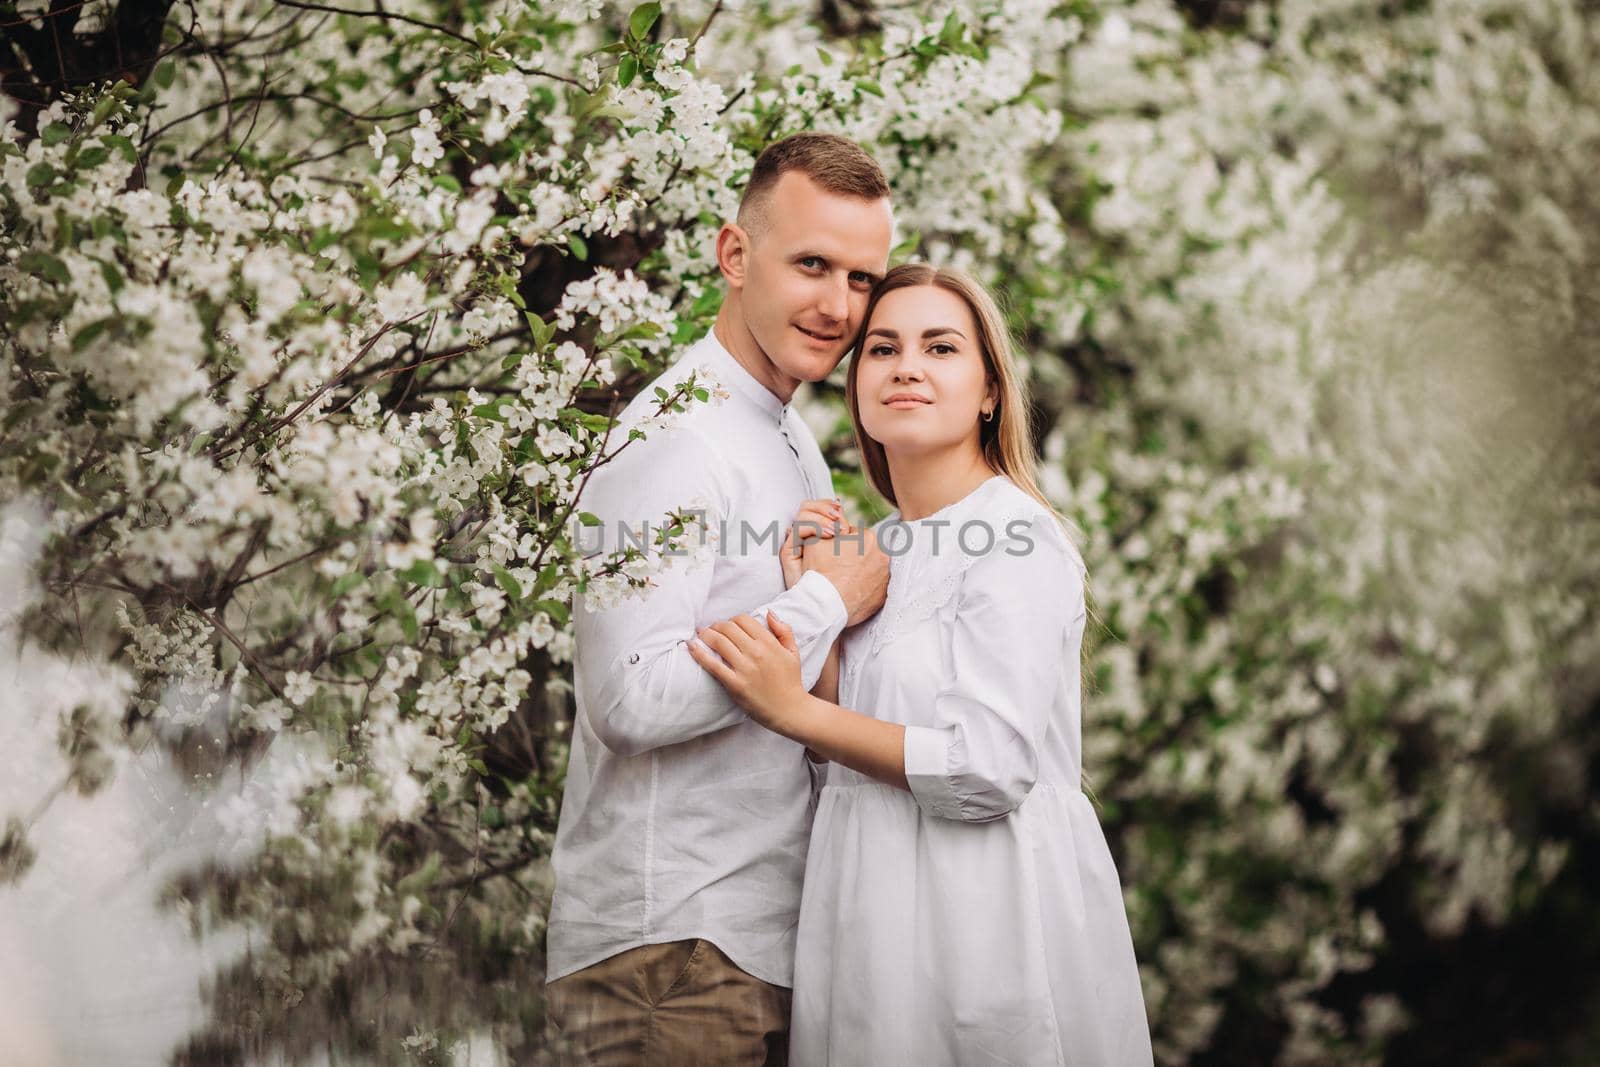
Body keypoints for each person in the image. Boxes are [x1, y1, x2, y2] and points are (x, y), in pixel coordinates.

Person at [688, 264, 1155, 1066]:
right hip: (866, 909)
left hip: (982, 914)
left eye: (941, 347)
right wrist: (822, 605)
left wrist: (790, 706)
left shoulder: (1016, 535)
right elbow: (856, 741)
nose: (906, 365)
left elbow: (988, 767)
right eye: (882, 349)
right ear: (858, 385)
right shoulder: (879, 549)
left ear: (988, 391)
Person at [543, 133, 895, 1066]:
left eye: (863, 279)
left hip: (756, 947)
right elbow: (626, 698)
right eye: (812, 264)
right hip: (667, 956)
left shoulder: (788, 440)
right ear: (735, 256)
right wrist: (825, 599)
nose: (838, 305)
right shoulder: (675, 436)